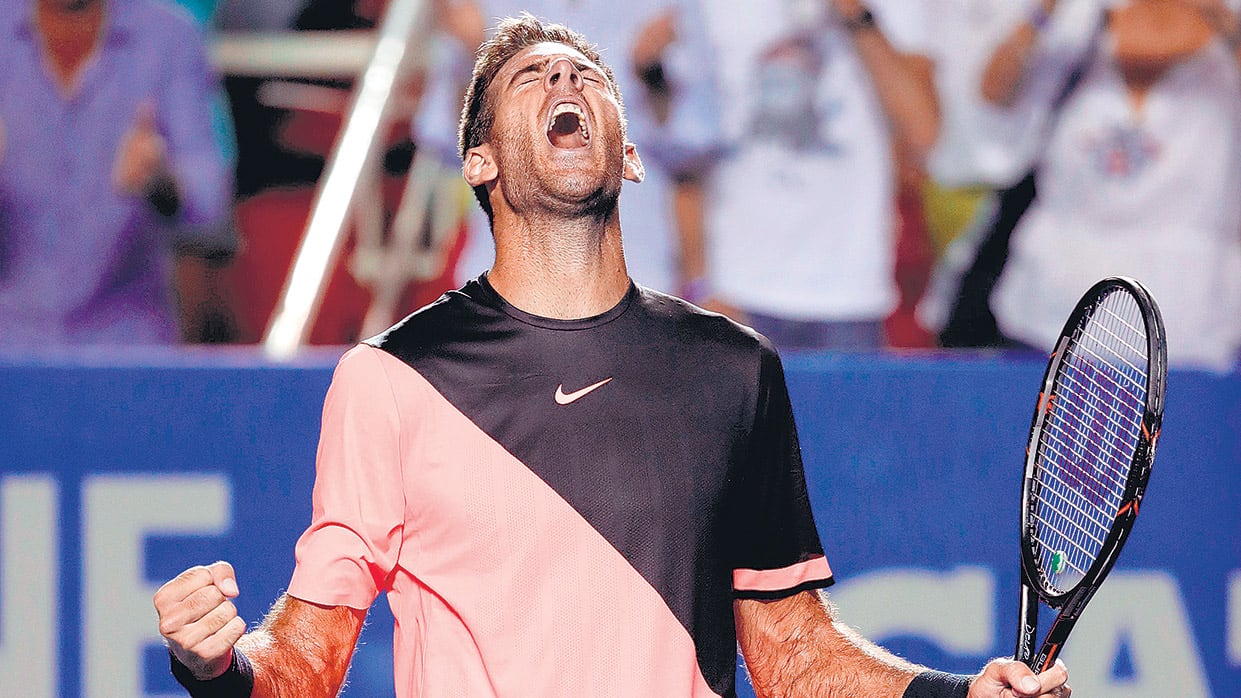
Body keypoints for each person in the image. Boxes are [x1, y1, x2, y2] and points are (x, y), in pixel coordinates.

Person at [154, 15, 1072, 698]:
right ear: (477, 161)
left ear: (630, 155)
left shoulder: (732, 370)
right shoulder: (389, 380)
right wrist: (215, 667)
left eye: (587, 76)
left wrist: (961, 695)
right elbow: (308, 660)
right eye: (530, 79)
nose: (565, 79)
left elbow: (793, 651)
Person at [981, 0, 1241, 370]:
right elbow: (995, 95)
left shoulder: (1229, 33)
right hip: (1051, 308)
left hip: (1190, 318)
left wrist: (1225, 24)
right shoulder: (1080, 21)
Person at [415, 0, 719, 297]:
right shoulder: (485, 6)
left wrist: (654, 78)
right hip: (505, 275)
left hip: (634, 267)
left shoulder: (666, 7)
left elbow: (697, 141)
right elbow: (446, 143)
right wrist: (472, 66)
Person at [692, 0, 940, 352]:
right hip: (734, 293)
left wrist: (856, 16)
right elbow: (684, 151)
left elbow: (924, 132)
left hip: (848, 297)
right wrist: (698, 286)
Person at [0, 0, 234, 346]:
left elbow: (210, 208)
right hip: (10, 341)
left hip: (128, 343)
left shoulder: (170, 36)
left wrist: (159, 184)